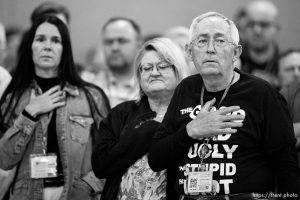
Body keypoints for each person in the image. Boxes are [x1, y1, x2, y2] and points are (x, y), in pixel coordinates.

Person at [148, 12, 300, 199]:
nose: (210, 49)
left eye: (220, 41)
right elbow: (156, 159)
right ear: (189, 52)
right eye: (202, 41)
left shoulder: (263, 94)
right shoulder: (185, 89)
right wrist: (190, 131)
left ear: (236, 52)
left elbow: (287, 166)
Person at [0, 15, 110, 200]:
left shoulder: (92, 96)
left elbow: (109, 154)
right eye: (40, 39)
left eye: (56, 40)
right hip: (26, 194)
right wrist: (30, 112)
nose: (47, 46)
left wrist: (88, 186)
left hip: (75, 194)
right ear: (30, 47)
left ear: (64, 49)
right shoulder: (14, 97)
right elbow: (4, 160)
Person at [92, 37, 187, 200]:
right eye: (147, 68)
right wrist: (150, 128)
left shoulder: (190, 114)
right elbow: (101, 166)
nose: (154, 73)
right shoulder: (121, 113)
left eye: (162, 66)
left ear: (178, 70)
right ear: (139, 75)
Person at [82, 17, 142, 108]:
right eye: (109, 42)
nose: (114, 48)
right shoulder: (87, 84)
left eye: (122, 41)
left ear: (138, 45)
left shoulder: (152, 85)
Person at [240, 0, 280, 87]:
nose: (257, 30)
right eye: (251, 24)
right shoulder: (233, 63)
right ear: (243, 28)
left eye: (264, 24)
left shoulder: (286, 65)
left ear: (276, 28)